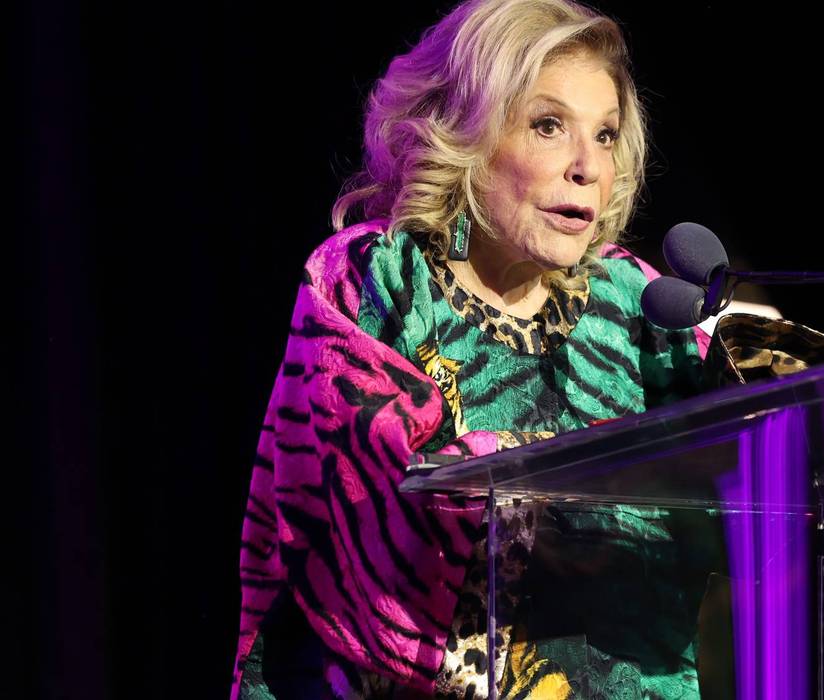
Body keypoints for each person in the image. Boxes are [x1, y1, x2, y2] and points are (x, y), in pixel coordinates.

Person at [232, 1, 713, 698]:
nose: (587, 166)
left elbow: (736, 469)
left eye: (605, 135)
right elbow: (387, 481)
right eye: (549, 126)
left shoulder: (634, 302)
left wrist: (765, 366)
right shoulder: (375, 277)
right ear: (466, 132)